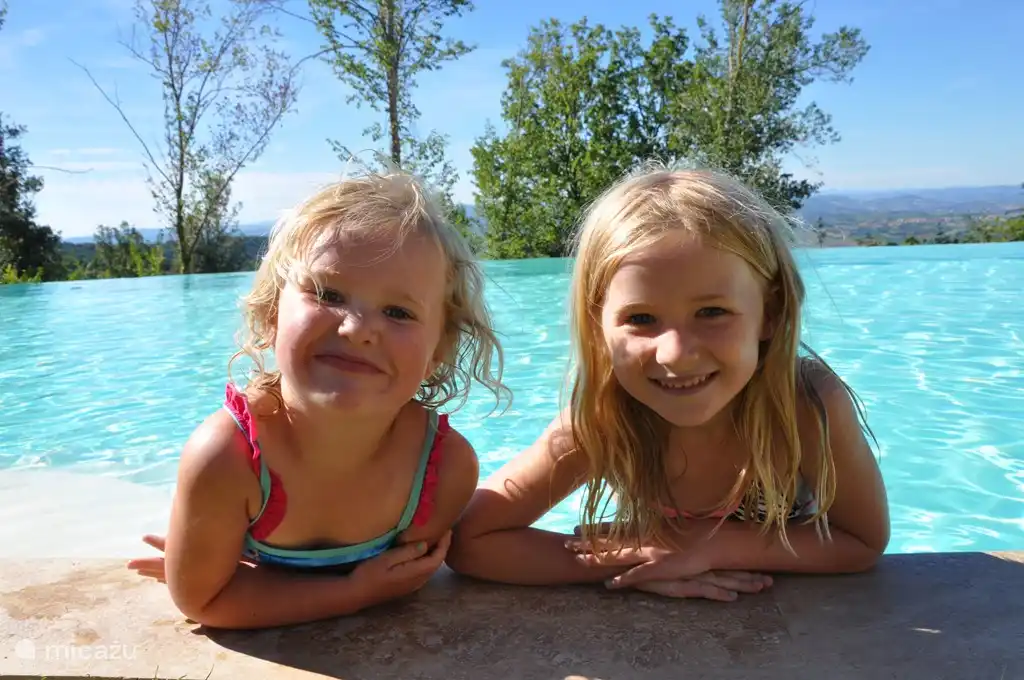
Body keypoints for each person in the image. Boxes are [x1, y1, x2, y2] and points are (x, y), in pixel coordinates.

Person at [446, 164, 890, 602]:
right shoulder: (604, 423)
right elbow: (471, 539)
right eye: (640, 319)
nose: (675, 353)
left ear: (769, 313)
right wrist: (630, 565)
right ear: (599, 326)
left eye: (712, 312)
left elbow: (862, 540)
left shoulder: (805, 407)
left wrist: (712, 546)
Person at [127, 169, 510, 629]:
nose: (357, 329)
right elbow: (205, 602)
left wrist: (243, 578)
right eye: (328, 294)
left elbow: (407, 582)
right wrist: (353, 593)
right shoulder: (227, 460)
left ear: (437, 354)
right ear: (271, 315)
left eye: (398, 311)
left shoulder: (442, 470)